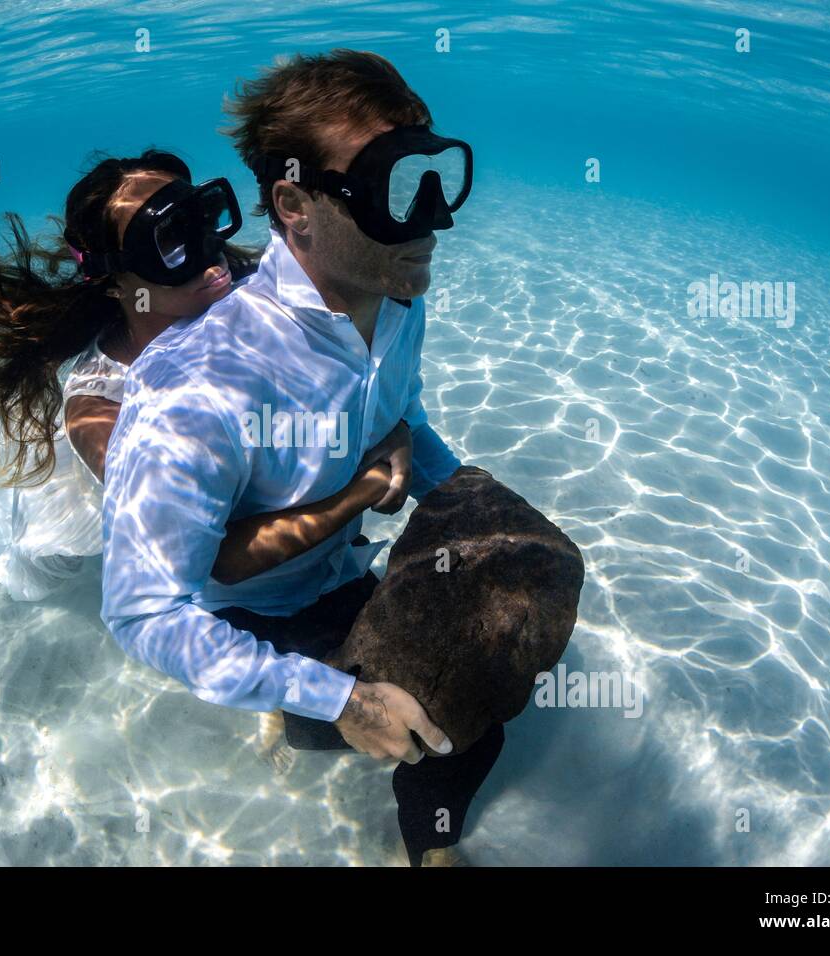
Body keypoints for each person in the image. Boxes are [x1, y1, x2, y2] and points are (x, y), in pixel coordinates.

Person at [100, 51, 501, 866]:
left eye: (434, 177)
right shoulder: (195, 387)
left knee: (473, 717)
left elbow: (401, 418)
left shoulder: (394, 304)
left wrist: (466, 502)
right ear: (295, 205)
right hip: (260, 611)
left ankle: (422, 836)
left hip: (345, 567)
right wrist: (339, 698)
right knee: (398, 724)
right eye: (394, 185)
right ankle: (331, 755)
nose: (433, 220)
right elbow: (143, 613)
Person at [0, 149, 410, 604]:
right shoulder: (98, 406)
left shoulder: (253, 287)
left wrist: (393, 425)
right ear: (116, 281)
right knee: (49, 557)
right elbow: (210, 555)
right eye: (170, 241)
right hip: (119, 504)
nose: (209, 252)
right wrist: (362, 488)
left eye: (202, 218)